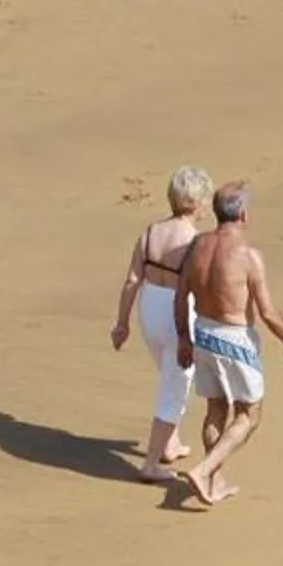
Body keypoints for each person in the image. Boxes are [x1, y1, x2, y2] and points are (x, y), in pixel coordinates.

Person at [169, 180, 283, 510]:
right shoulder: (247, 256)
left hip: (202, 331)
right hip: (235, 338)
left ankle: (214, 480)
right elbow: (268, 312)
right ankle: (204, 471)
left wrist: (184, 338)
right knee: (249, 415)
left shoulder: (198, 245)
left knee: (216, 407)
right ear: (242, 214)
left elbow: (180, 294)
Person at [109, 165, 214, 483]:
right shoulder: (194, 241)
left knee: (168, 371)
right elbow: (200, 288)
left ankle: (170, 442)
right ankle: (151, 463)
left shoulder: (151, 232)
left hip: (149, 309)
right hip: (177, 311)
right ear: (197, 204)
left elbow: (131, 281)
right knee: (176, 385)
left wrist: (122, 323)